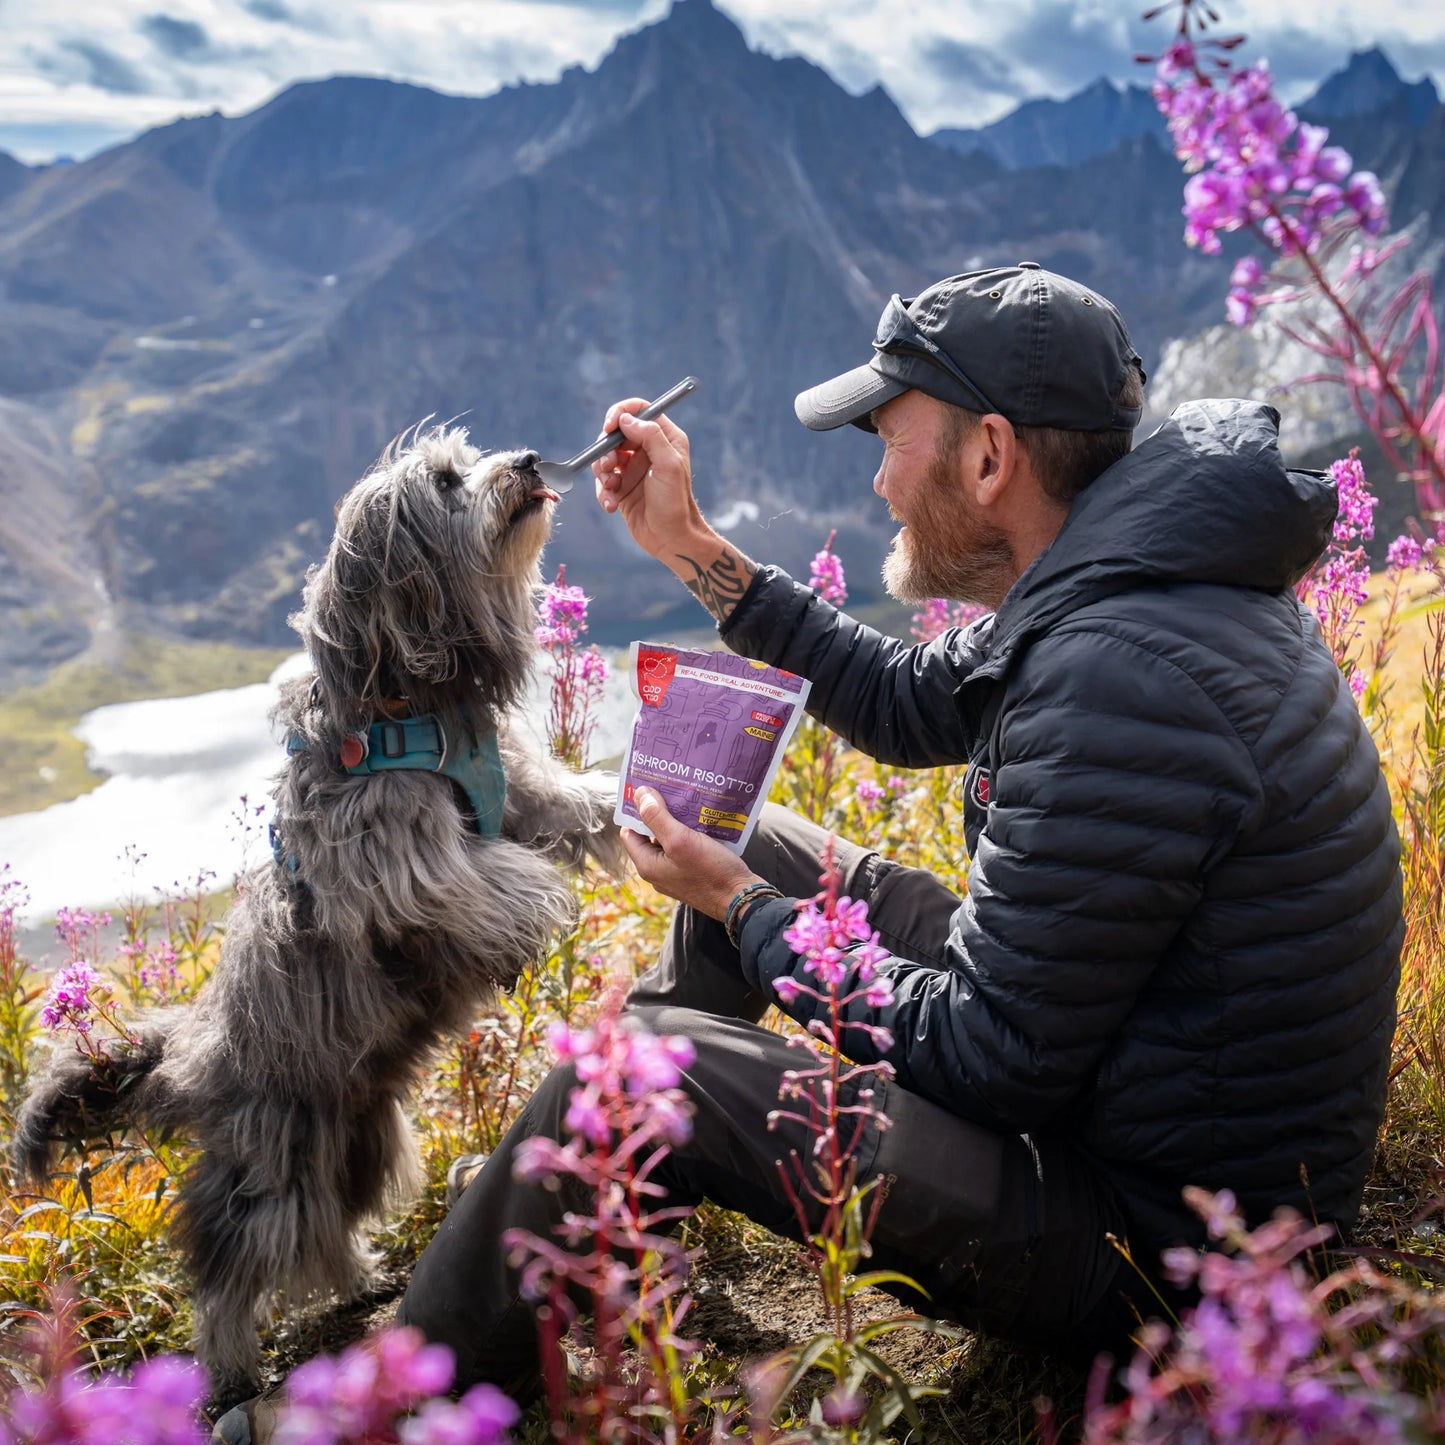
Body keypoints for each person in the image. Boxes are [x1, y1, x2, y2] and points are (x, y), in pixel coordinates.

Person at [216, 264, 1403, 1438]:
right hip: (1128, 1077)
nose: (879, 481)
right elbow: (899, 699)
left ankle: (373, 1405)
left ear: (988, 457)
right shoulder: (1122, 583)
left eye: (891, 438)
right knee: (752, 828)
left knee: (622, 1068)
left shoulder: (1118, 675)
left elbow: (992, 1056)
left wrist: (739, 911)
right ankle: (613, 1187)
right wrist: (687, 544)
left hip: (1154, 1244)